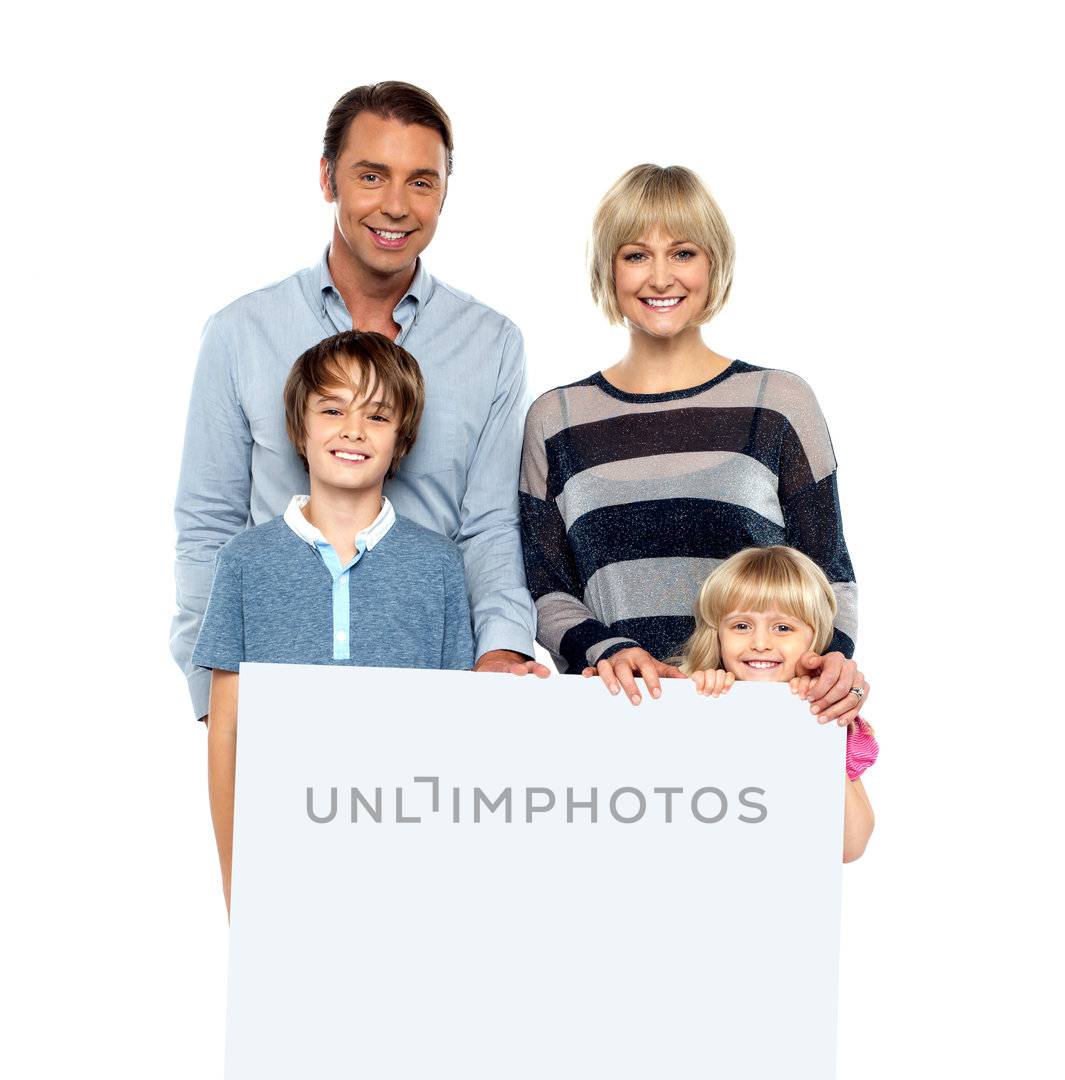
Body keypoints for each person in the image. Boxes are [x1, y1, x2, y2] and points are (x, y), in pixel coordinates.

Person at [172, 80, 546, 723]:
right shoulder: (241, 333)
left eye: (421, 181)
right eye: (371, 175)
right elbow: (209, 523)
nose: (396, 206)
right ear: (328, 178)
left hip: (434, 692)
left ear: (445, 190)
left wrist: (500, 652)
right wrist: (216, 697)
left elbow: (488, 526)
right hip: (278, 690)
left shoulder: (491, 344)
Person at [519, 162, 869, 724]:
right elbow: (545, 586)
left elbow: (830, 570)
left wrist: (832, 665)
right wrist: (607, 650)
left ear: (715, 264)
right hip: (615, 716)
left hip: (758, 718)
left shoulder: (777, 402)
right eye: (636, 255)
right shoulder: (555, 419)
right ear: (608, 270)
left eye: (683, 253)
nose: (661, 278)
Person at [192, 329, 473, 913]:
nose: (352, 430)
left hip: (409, 867)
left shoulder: (439, 564)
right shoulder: (244, 562)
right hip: (283, 862)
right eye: (332, 409)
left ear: (402, 441)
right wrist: (233, 880)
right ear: (300, 428)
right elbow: (226, 732)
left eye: (377, 415)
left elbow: (457, 731)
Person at [678, 545, 876, 862]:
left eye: (783, 627)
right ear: (718, 635)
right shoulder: (694, 693)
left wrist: (813, 726)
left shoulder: (830, 715)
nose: (760, 643)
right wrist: (691, 701)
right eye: (741, 626)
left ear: (814, 638)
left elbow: (849, 846)